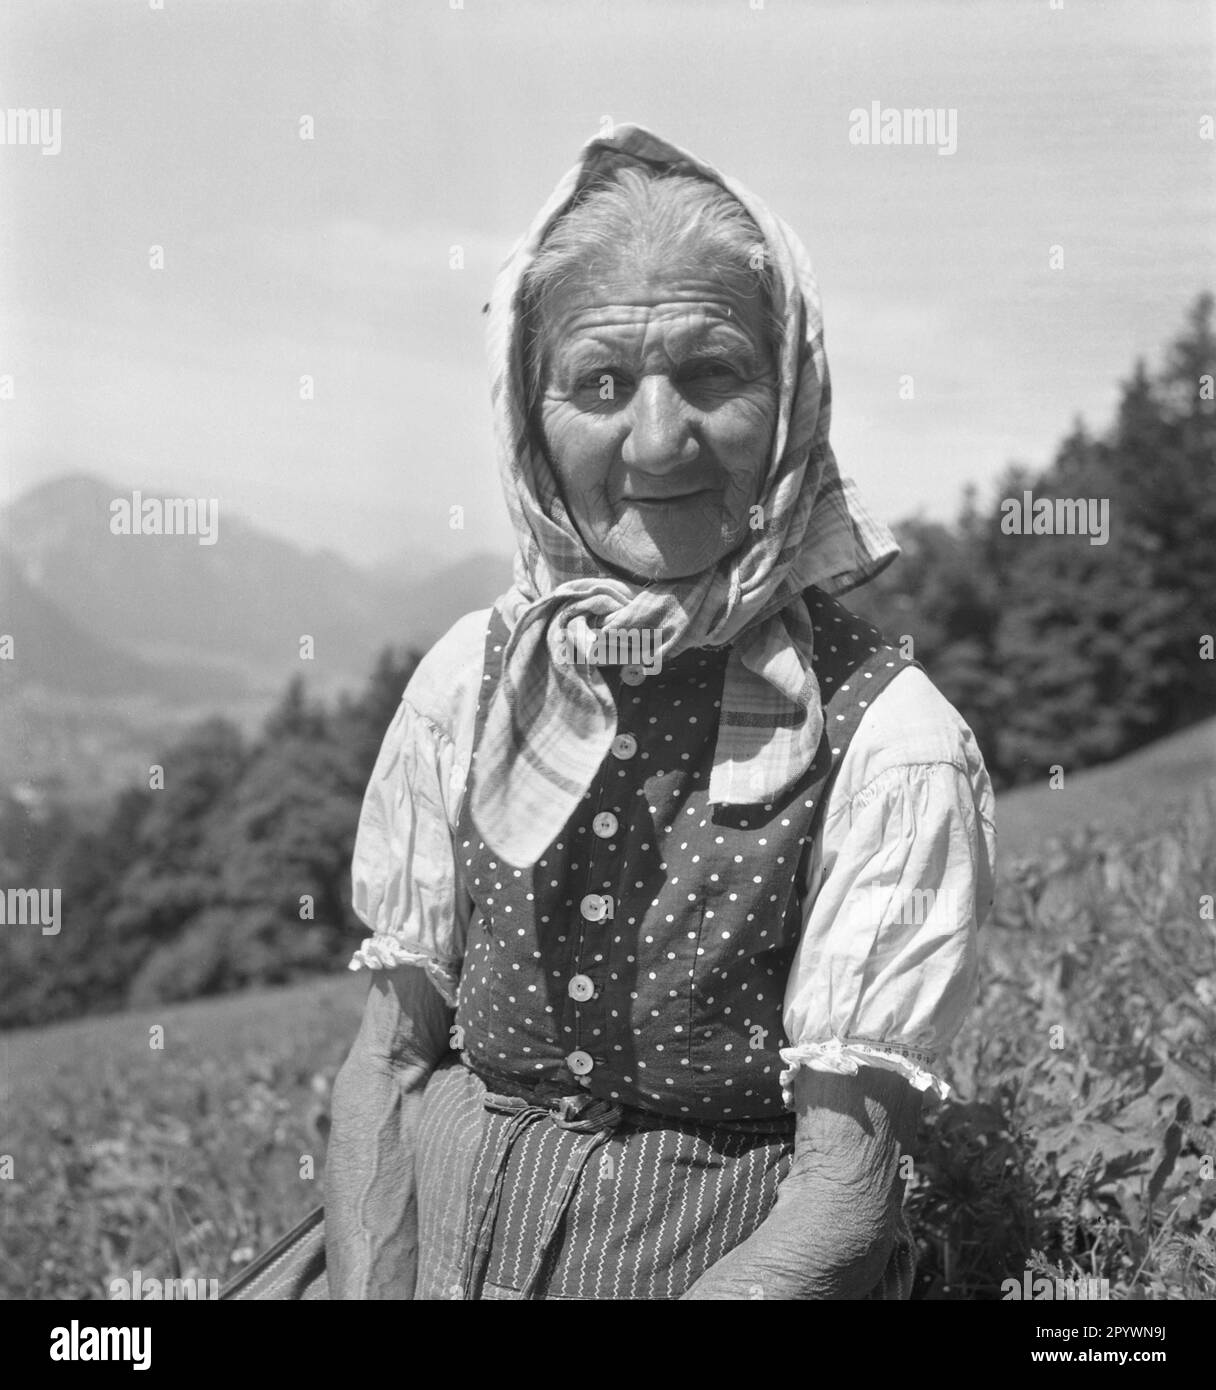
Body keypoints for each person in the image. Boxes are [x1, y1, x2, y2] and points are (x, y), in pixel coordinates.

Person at [324, 124, 996, 1301]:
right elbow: (388, 1058)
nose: (654, 437)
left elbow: (845, 1189)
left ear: (789, 399)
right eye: (598, 383)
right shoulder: (470, 680)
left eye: (711, 372)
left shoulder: (890, 742)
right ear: (530, 420)